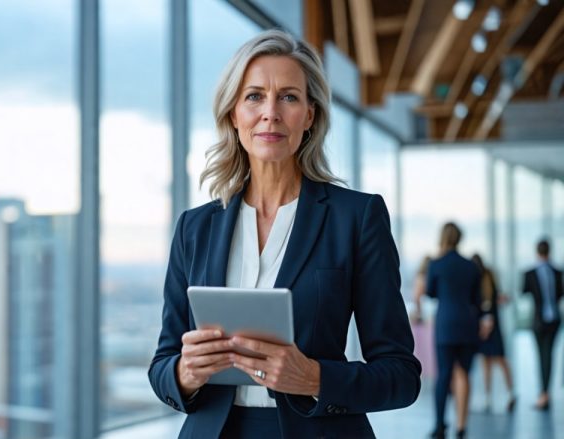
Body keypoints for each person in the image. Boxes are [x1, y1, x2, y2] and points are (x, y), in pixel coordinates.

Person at [147, 29, 421, 439]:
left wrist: (314, 377)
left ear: (309, 116)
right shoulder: (195, 227)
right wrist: (185, 373)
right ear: (233, 114)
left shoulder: (356, 217)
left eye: (289, 97)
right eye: (254, 96)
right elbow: (162, 364)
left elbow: (401, 375)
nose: (270, 113)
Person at [425, 223, 492, 439]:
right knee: (463, 373)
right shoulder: (471, 266)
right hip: (467, 324)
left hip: (445, 324)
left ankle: (439, 426)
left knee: (444, 375)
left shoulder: (436, 264)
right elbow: (477, 299)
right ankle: (461, 427)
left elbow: (430, 292)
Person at [522, 239, 563, 410]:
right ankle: (545, 393)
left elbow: (524, 291)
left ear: (537, 252)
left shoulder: (531, 273)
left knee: (544, 356)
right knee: (547, 356)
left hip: (544, 320)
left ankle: (544, 393)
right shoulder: (556, 272)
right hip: (548, 319)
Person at [472, 253, 515, 412]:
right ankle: (496, 395)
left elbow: (487, 305)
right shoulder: (488, 276)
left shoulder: (483, 279)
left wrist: (485, 325)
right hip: (489, 327)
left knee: (494, 361)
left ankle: (500, 395)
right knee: (493, 361)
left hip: (488, 327)